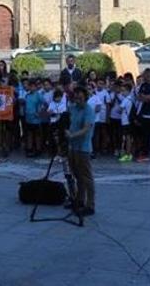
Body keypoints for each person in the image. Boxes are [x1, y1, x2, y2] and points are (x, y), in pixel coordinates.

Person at [65, 86, 96, 216]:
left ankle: (90, 205)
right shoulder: (73, 108)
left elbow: (86, 128)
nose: (77, 98)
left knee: (87, 177)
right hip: (72, 147)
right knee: (77, 175)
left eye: (80, 96)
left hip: (83, 148)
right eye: (76, 96)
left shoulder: (88, 110)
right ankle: (79, 199)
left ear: (85, 97)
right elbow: (68, 122)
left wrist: (73, 135)